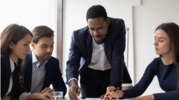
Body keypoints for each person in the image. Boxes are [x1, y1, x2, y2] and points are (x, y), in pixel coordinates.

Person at [66, 5, 132, 100]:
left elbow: (117, 57)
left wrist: (113, 88)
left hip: (112, 73)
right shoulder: (77, 36)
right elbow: (72, 63)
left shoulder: (117, 26)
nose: (96, 33)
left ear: (107, 23)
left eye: (100, 28)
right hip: (89, 75)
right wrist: (73, 83)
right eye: (92, 29)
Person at [105, 22, 179, 100]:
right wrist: (121, 93)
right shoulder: (156, 64)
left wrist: (150, 97)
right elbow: (139, 88)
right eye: (155, 39)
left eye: (160, 40)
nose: (154, 43)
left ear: (174, 42)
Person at [1, 24, 52, 100]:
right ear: (11, 44)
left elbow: (16, 94)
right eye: (25, 45)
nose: (28, 50)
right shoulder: (2, 62)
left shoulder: (13, 65)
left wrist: (38, 96)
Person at [21, 25, 67, 98]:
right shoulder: (22, 60)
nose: (49, 50)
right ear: (33, 45)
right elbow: (14, 92)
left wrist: (53, 93)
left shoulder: (53, 62)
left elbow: (62, 88)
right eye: (44, 46)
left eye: (51, 45)